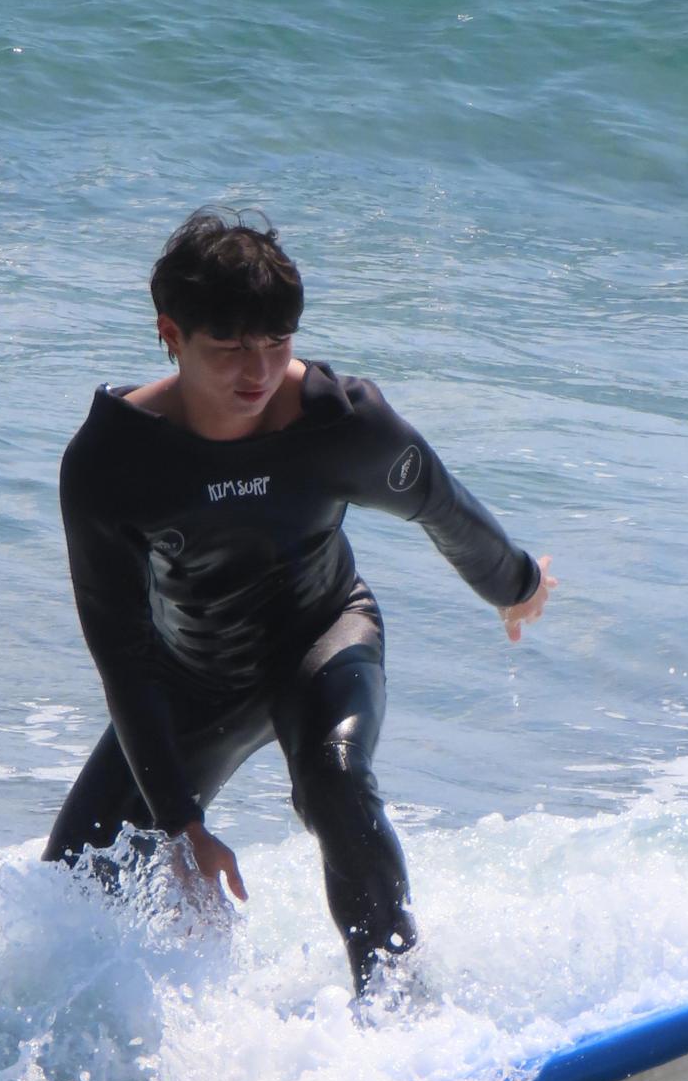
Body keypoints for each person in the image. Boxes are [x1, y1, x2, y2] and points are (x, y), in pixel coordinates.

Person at [45, 210, 552, 992]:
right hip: (191, 679)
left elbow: (441, 505)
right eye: (229, 348)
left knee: (336, 779)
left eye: (277, 342)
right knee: (69, 892)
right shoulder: (114, 461)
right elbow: (121, 648)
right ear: (171, 334)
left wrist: (516, 586)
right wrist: (182, 824)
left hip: (323, 637)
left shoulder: (342, 424)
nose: (257, 371)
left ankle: (400, 1010)